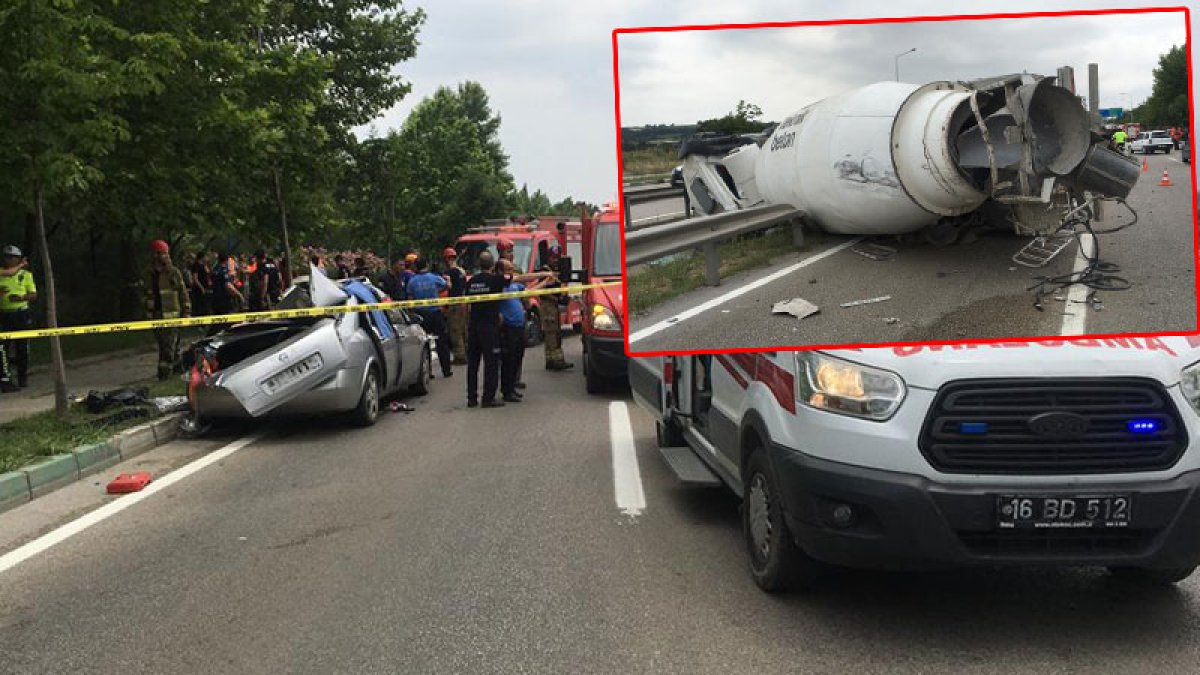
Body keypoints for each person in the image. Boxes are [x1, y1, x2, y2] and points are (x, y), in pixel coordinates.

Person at [464, 251, 509, 408]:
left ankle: (471, 398)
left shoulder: (471, 281)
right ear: (492, 265)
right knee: (491, 363)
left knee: (473, 364)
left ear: (479, 264)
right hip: (489, 327)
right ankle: (488, 398)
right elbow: (515, 279)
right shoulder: (496, 280)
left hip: (474, 326)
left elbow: (467, 305)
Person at [145, 240, 191, 380]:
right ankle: (178, 370)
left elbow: (183, 293)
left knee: (168, 346)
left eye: (165, 253)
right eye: (160, 253)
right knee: (168, 345)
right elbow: (146, 294)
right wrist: (147, 311)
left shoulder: (173, 272)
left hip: (172, 315)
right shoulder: (149, 274)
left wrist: (186, 311)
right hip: (157, 315)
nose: (164, 256)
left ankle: (164, 375)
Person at [405, 257, 453, 378]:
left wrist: (411, 314)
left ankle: (427, 372)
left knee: (423, 344)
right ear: (426, 265)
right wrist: (446, 281)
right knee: (441, 342)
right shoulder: (434, 277)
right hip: (435, 313)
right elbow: (447, 286)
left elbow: (410, 300)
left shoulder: (412, 281)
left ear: (416, 267)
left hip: (421, 315)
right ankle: (446, 370)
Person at [0, 246, 34, 391]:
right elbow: (9, 273)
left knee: (22, 346)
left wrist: (20, 298)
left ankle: (22, 377)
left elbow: (33, 294)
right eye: (6, 256)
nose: (9, 259)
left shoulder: (26, 275)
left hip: (21, 314)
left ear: (18, 258)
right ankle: (5, 379)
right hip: (3, 314)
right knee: (2, 347)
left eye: (12, 257)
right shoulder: (2, 272)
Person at [540, 246, 573, 371]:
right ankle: (557, 361)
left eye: (557, 258)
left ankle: (550, 360)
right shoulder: (545, 271)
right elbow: (543, 292)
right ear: (549, 258)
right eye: (553, 258)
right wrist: (557, 299)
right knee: (552, 334)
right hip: (548, 306)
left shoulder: (556, 270)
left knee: (554, 332)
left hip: (553, 305)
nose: (555, 260)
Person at [442, 247, 468, 365]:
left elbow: (448, 286)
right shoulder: (462, 271)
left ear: (446, 259)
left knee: (455, 329)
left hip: (455, 304)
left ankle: (460, 356)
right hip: (464, 302)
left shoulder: (448, 273)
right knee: (463, 329)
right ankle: (466, 352)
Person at [208, 251, 243, 335]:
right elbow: (227, 285)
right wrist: (239, 294)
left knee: (217, 322)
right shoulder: (224, 270)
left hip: (215, 298)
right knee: (229, 321)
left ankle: (210, 337)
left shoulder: (215, 269)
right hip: (224, 300)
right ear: (227, 260)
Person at [188, 252, 213, 316]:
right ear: (202, 257)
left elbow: (208, 273)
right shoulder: (196, 266)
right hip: (199, 289)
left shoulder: (203, 265)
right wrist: (201, 288)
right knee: (199, 305)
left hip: (205, 287)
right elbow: (195, 278)